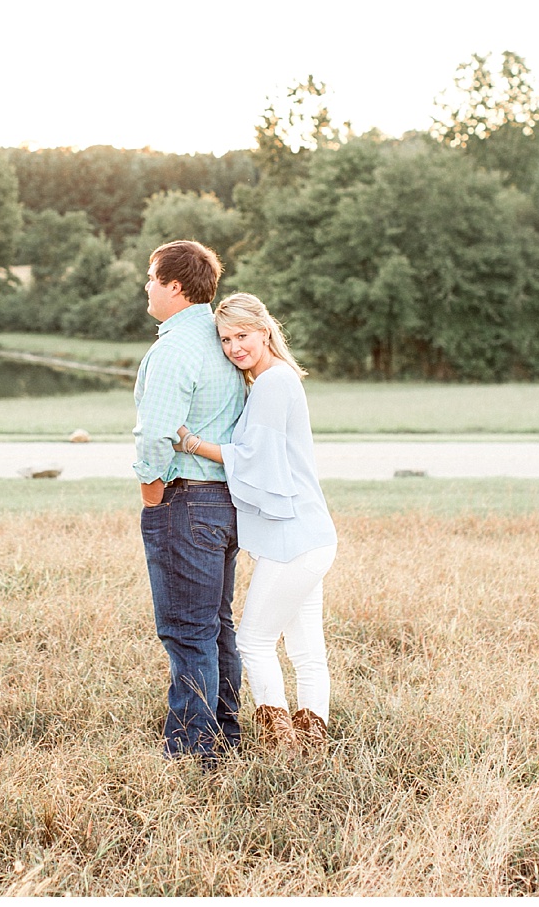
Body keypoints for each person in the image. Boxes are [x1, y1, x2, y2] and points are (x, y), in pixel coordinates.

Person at [172, 292, 338, 756]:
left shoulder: (272, 383)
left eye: (242, 335)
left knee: (252, 639)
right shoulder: (273, 379)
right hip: (309, 533)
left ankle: (281, 743)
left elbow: (253, 459)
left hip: (294, 537)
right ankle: (311, 749)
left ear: (264, 330)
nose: (234, 347)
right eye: (225, 340)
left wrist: (190, 443)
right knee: (306, 649)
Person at [132, 239, 248, 763]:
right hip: (226, 502)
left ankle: (194, 749)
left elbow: (155, 435)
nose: (147, 288)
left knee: (187, 630)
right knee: (216, 623)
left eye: (153, 278)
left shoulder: (176, 346)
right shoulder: (219, 337)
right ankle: (224, 729)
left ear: (175, 286)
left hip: (187, 499)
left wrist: (152, 498)